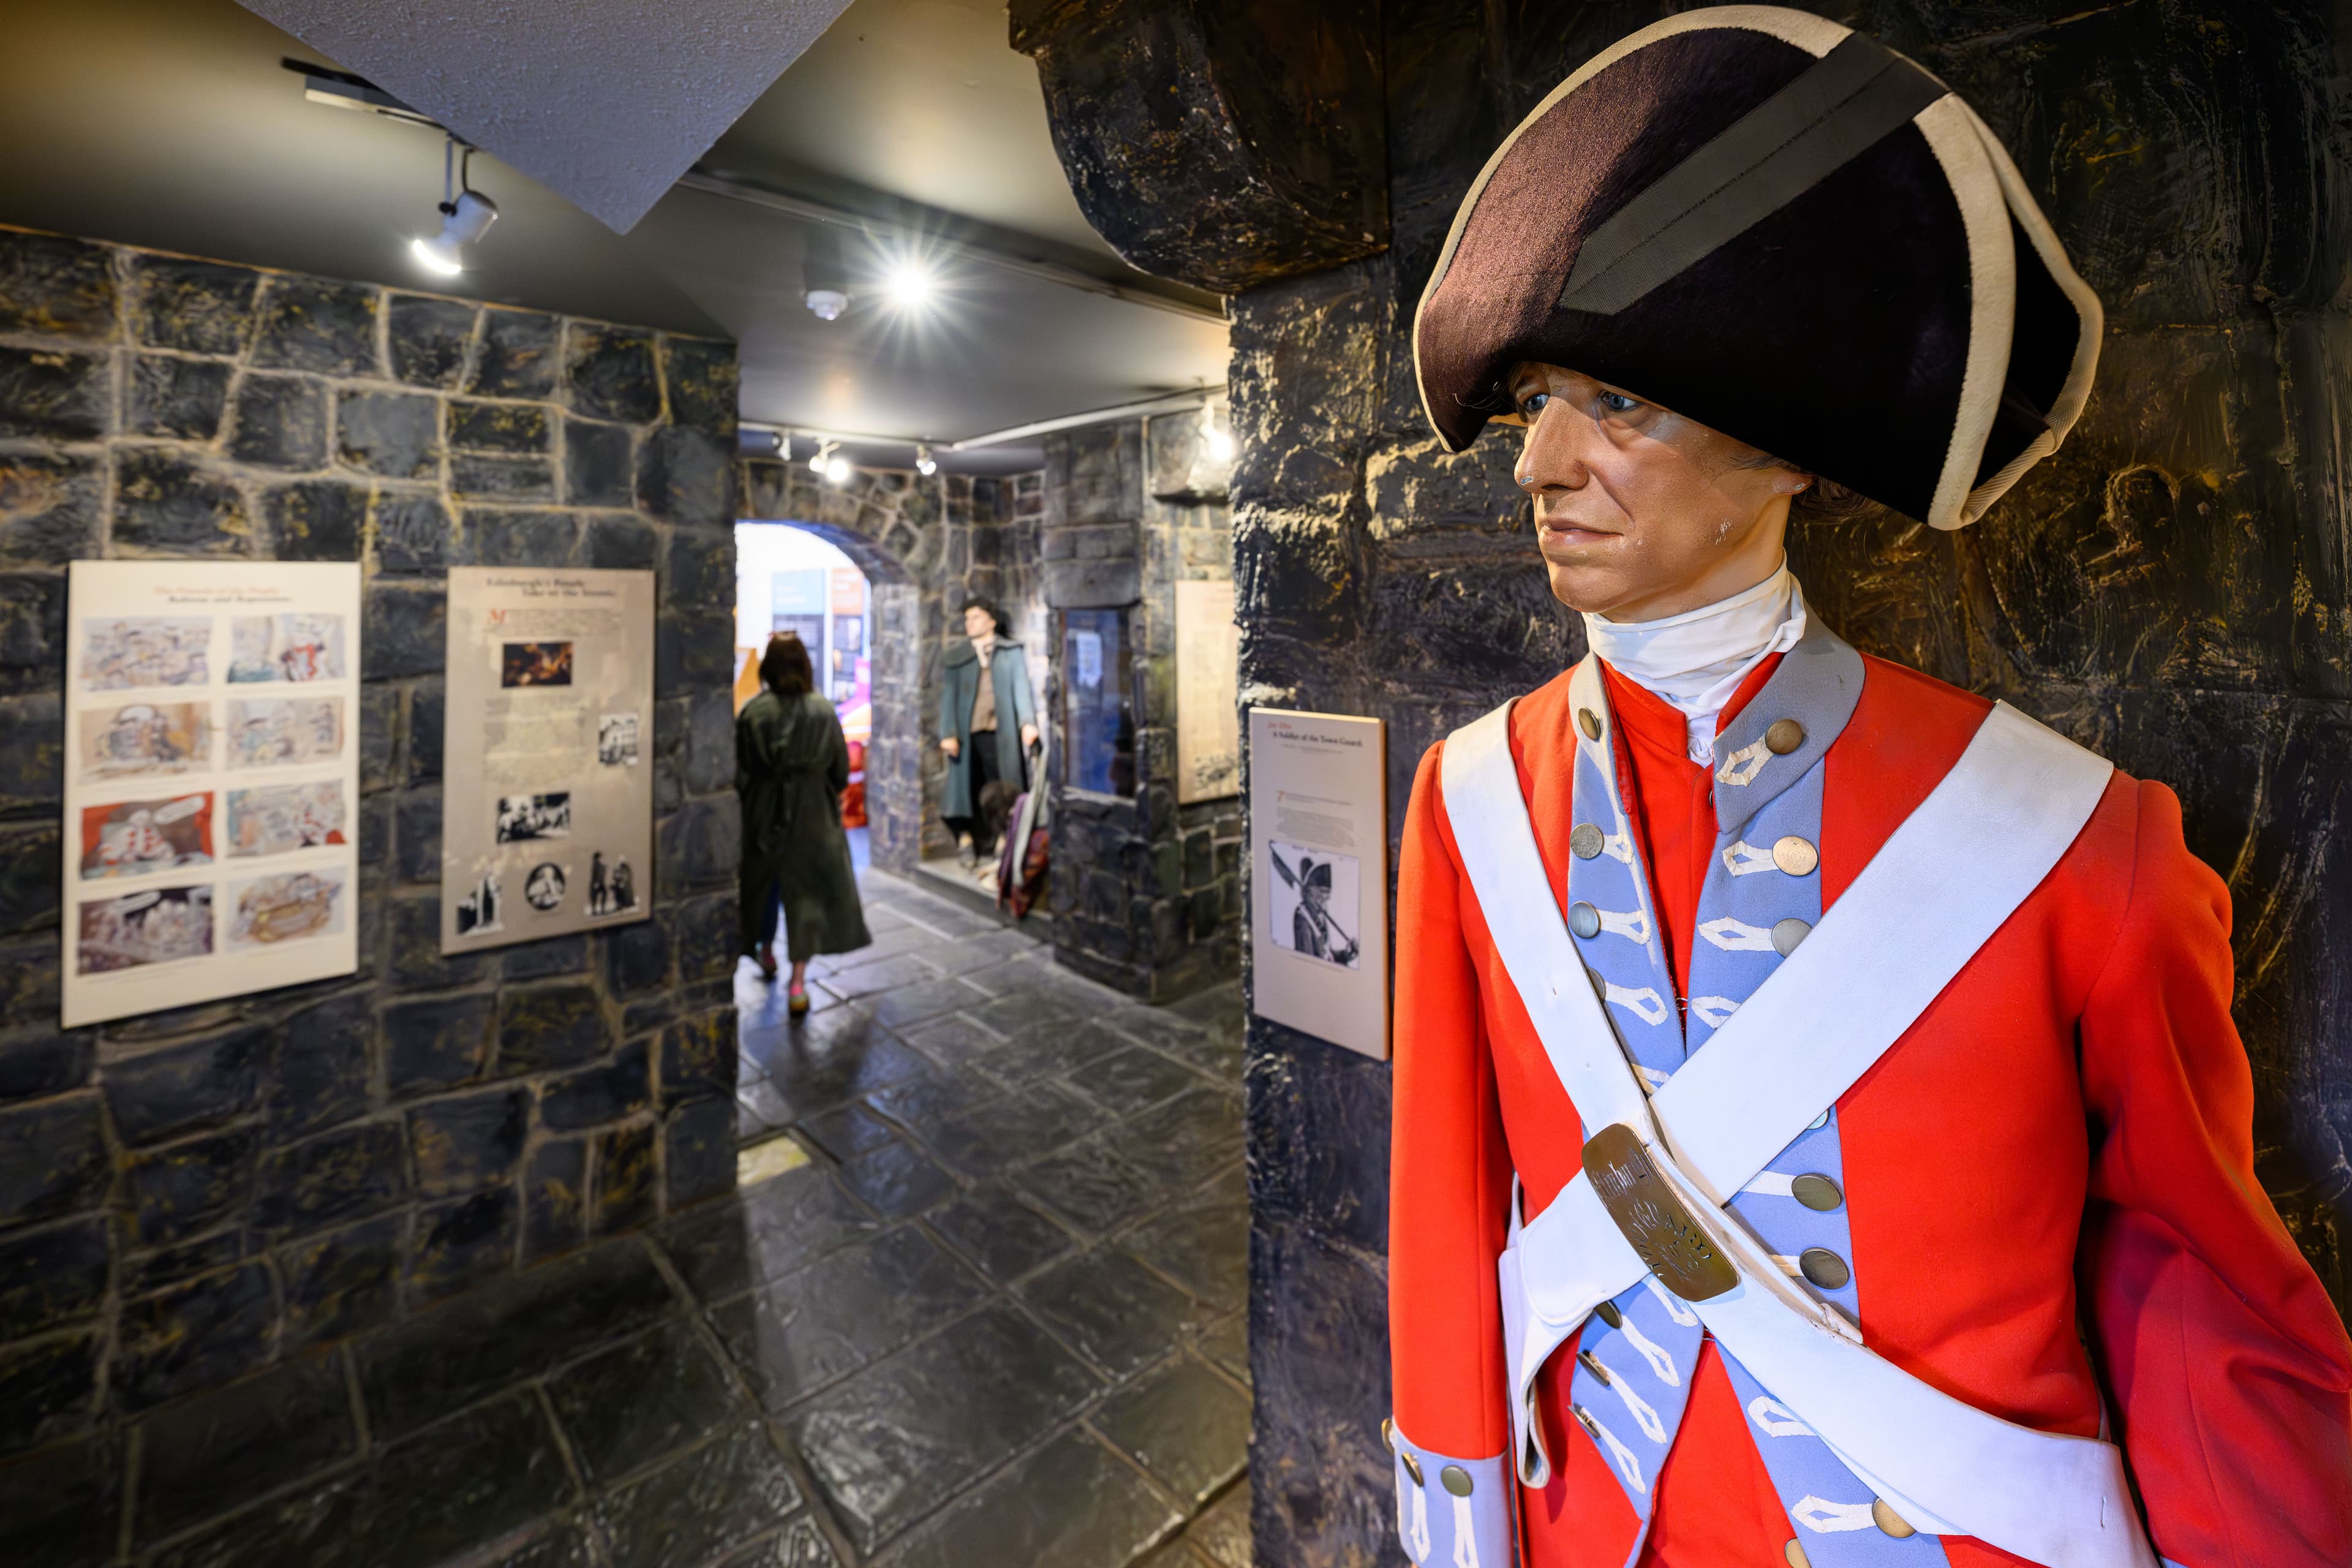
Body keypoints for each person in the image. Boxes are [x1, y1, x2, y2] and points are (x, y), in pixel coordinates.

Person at [1385, 12, 2352, 1568]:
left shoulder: (2078, 843)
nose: (1537, 464)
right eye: (1533, 403)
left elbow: (2184, 1281)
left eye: (1616, 404)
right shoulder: (1465, 799)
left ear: (1789, 455)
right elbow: (1444, 1217)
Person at [736, 633, 870, 1014]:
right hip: (814, 815)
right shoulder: (823, 711)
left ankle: (764, 951)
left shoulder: (753, 712)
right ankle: (798, 984)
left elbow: (741, 773)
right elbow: (841, 772)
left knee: (764, 887)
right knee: (808, 895)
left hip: (764, 813)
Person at [938, 597, 1038, 872]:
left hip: (1000, 733)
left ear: (991, 621)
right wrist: (948, 732)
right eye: (968, 618)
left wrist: (1027, 722)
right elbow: (948, 697)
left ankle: (1004, 840)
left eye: (977, 617)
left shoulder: (1009, 652)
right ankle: (966, 839)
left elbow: (1020, 688)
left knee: (1004, 787)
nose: (970, 623)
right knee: (965, 788)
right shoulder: (958, 657)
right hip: (968, 736)